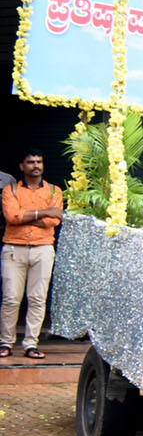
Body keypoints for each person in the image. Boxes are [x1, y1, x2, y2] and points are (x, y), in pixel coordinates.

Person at [1, 151, 64, 359]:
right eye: (30, 162)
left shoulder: (54, 190)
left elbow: (54, 220)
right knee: (11, 298)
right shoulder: (11, 189)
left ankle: (31, 344)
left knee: (37, 298)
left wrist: (26, 216)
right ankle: (5, 342)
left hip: (43, 248)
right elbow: (12, 216)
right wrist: (44, 212)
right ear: (22, 166)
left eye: (39, 162)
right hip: (14, 248)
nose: (35, 165)